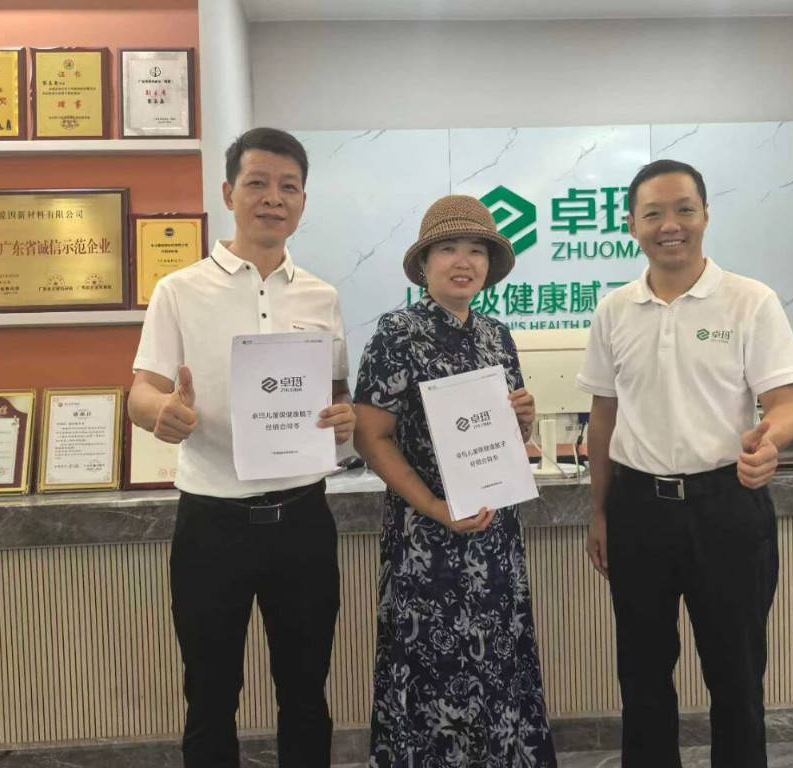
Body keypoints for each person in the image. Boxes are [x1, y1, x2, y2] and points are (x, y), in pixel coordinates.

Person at [127, 127, 356, 768]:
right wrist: (161, 412)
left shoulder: (322, 296)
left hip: (303, 521)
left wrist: (345, 417)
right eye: (257, 183)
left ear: (303, 202)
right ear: (229, 193)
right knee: (210, 696)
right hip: (212, 524)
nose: (272, 198)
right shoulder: (180, 290)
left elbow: (338, 396)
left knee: (306, 694)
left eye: (288, 187)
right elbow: (140, 391)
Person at [577, 159, 793, 768]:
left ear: (705, 215)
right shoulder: (614, 310)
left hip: (726, 506)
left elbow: (784, 403)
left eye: (684, 209)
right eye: (653, 213)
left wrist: (769, 442)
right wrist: (599, 512)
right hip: (637, 511)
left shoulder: (749, 301)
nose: (670, 225)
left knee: (736, 676)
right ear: (631, 225)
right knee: (642, 676)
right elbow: (603, 418)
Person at [353, 195, 557, 767]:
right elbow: (371, 437)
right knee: (430, 673)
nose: (463, 262)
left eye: (476, 251)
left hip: (495, 538)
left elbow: (505, 440)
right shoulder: (398, 333)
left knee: (499, 668)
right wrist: (434, 506)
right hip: (428, 540)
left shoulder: (497, 335)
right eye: (447, 249)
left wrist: (523, 421)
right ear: (424, 264)